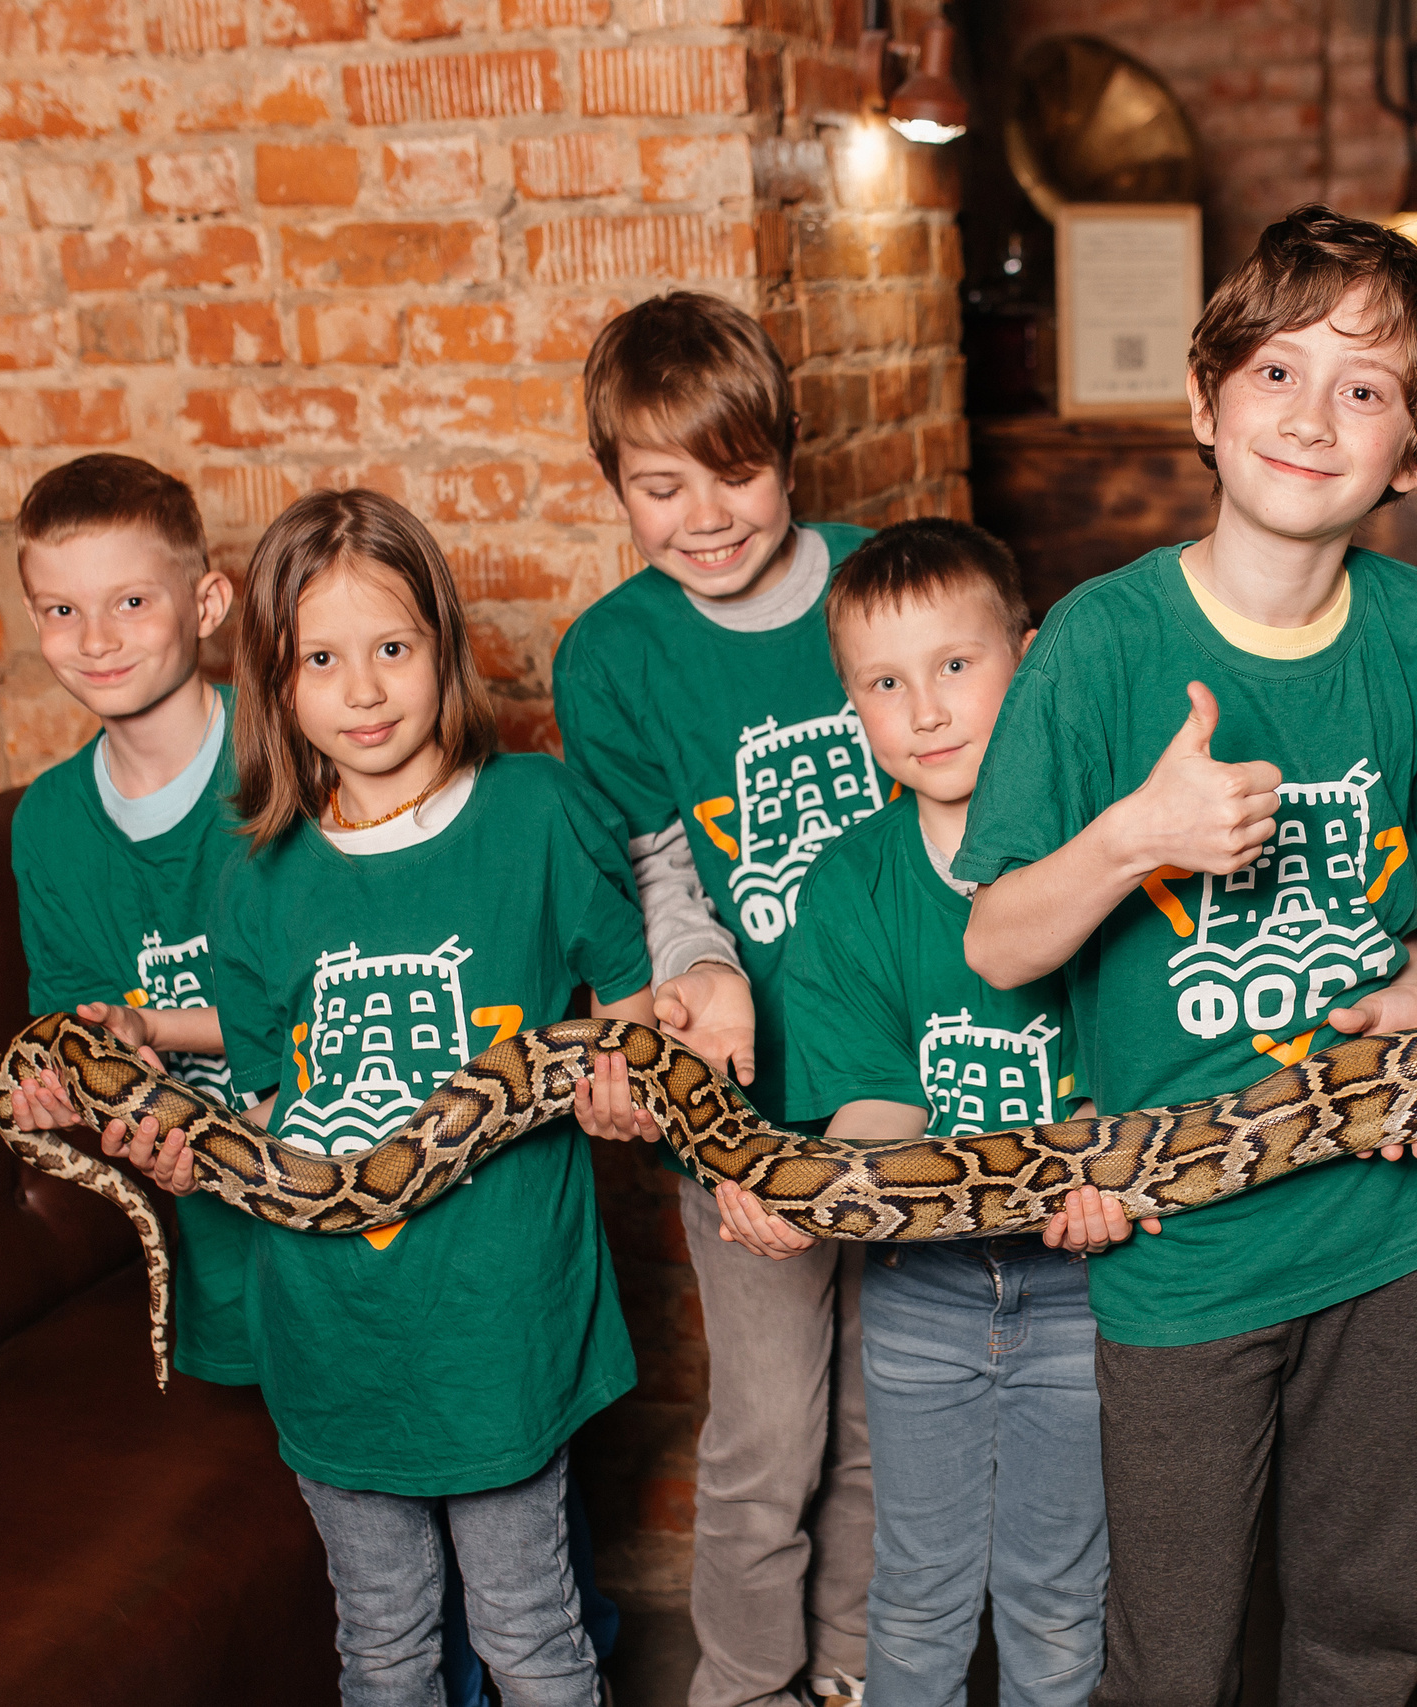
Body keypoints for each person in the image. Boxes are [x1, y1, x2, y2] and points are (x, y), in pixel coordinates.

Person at [953, 205, 1417, 1707]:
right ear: (1205, 402)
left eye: (1367, 386)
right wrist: (1137, 835)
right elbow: (998, 941)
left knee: (1369, 1621)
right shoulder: (1098, 645)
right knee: (1179, 1642)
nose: (1314, 415)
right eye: (1276, 370)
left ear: (1412, 447)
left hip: (1393, 1221)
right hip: (1183, 1249)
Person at [119, 488, 672, 1705]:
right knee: (380, 1643)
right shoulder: (251, 862)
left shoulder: (538, 812)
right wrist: (192, 1152)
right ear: (276, 677)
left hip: (499, 1319)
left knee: (530, 1634)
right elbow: (263, 1101)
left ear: (444, 649)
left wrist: (630, 1082)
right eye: (321, 659)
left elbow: (632, 1017)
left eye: (391, 649)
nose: (363, 692)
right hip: (332, 1329)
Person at [712, 518, 1131, 1707]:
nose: (929, 710)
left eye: (957, 665)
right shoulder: (847, 882)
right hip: (923, 1296)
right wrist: (807, 1197)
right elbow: (877, 1111)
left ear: (1030, 658)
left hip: (1082, 1290)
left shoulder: (1099, 862)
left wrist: (1106, 1183)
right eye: (887, 684)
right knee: (919, 1588)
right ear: (850, 706)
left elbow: (1139, 1084)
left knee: (1056, 1595)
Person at [551, 290, 873, 1707]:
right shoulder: (612, 658)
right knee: (770, 1427)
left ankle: (862, 1673)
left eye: (734, 472)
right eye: (659, 486)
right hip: (740, 1101)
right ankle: (745, 1683)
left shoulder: (880, 580)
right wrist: (705, 973)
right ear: (617, 484)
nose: (706, 516)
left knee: (885, 1425)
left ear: (786, 451)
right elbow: (660, 864)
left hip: (915, 1078)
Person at [0, 453, 259, 1389]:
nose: (95, 638)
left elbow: (336, 1010)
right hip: (226, 1265)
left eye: (132, 602)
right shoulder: (50, 826)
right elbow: (88, 1041)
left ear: (208, 602)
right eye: (62, 610)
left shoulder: (294, 764)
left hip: (390, 1255)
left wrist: (149, 1029)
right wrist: (57, 1087)